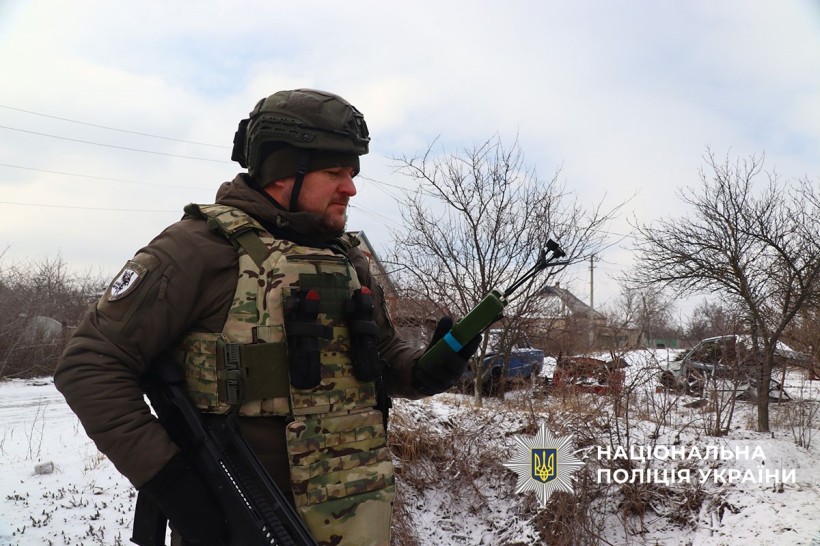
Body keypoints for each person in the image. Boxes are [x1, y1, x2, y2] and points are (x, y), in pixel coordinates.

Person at [54, 88, 480, 546]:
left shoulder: (346, 259)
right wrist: (175, 486)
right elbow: (90, 365)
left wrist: (426, 368)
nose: (351, 187)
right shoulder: (196, 249)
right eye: (334, 171)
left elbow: (375, 357)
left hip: (356, 513)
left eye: (353, 173)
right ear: (282, 173)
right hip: (243, 520)